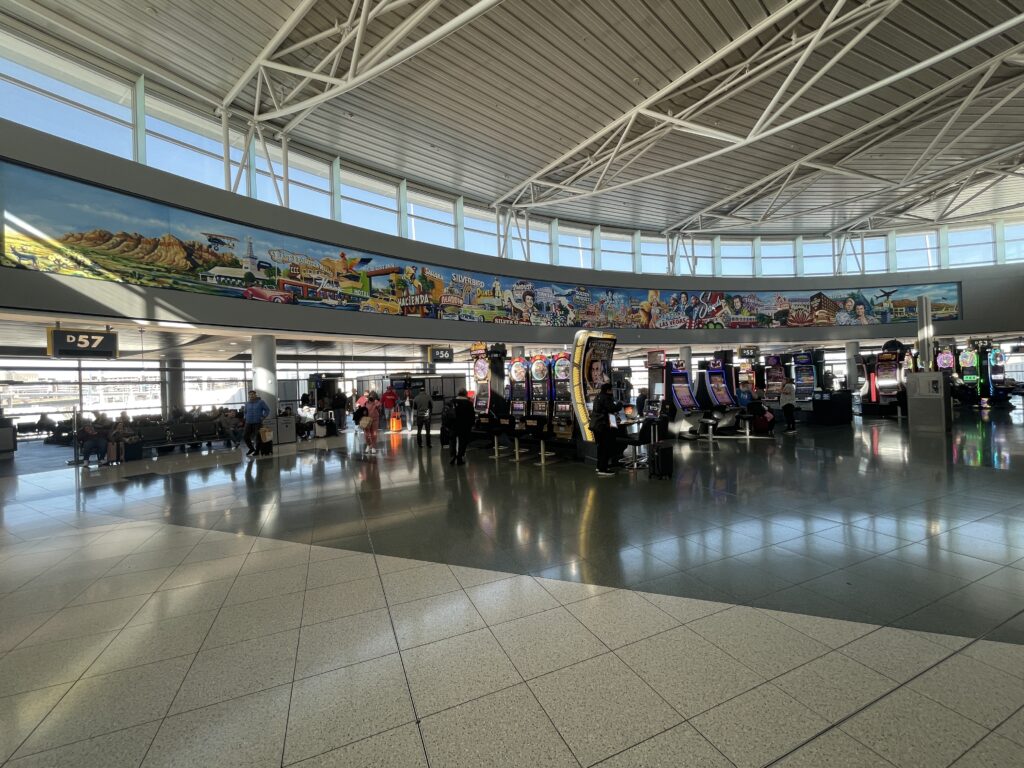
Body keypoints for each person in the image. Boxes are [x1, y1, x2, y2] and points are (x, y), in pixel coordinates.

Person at [590, 383, 622, 476]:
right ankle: (603, 469)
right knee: (605, 447)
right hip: (603, 426)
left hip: (596, 425)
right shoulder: (606, 398)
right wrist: (620, 404)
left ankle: (599, 466)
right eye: (611, 389)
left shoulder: (598, 396)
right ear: (608, 390)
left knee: (600, 447)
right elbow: (612, 408)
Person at [449, 388, 475, 465]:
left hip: (453, 425)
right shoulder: (469, 403)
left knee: (452, 440)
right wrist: (472, 424)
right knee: (462, 441)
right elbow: (472, 416)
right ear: (465, 394)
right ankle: (460, 457)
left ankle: (453, 455)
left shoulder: (452, 402)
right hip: (464, 426)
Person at [242, 389, 270, 457]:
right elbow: (245, 412)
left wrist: (263, 416)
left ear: (255, 395)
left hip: (257, 422)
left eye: (252, 394)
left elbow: (267, 409)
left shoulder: (260, 402)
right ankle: (251, 449)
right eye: (250, 395)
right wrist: (245, 417)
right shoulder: (247, 403)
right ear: (248, 396)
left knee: (257, 437)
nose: (251, 396)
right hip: (248, 422)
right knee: (245, 436)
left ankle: (257, 451)